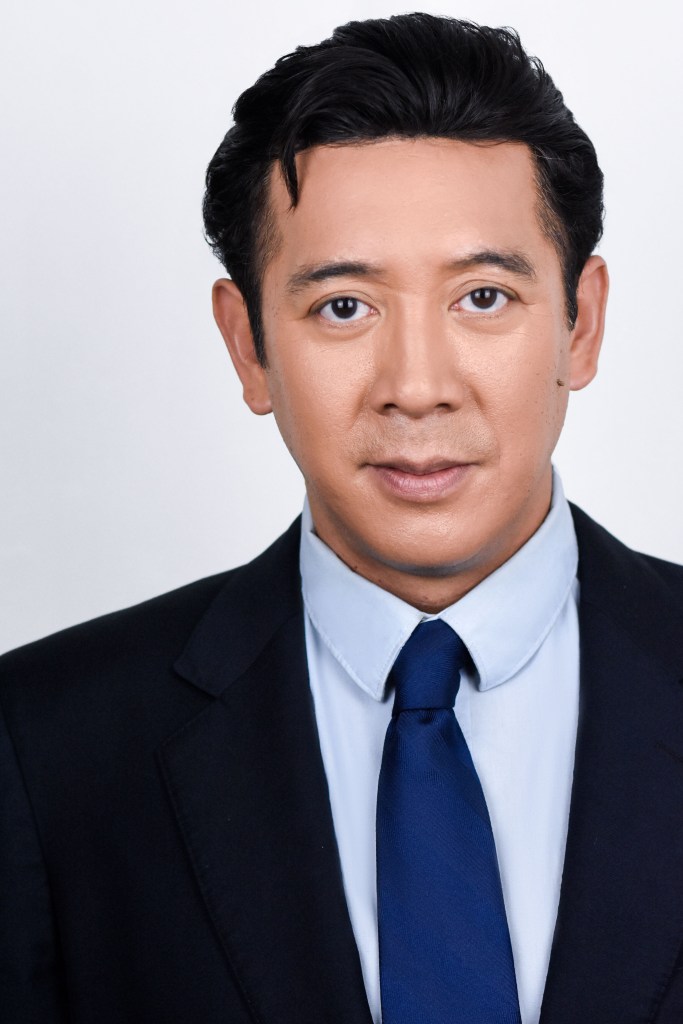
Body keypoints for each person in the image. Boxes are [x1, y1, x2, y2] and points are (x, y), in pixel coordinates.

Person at [1, 12, 682, 1024]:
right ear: (248, 347)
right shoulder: (44, 745)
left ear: (580, 326)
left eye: (483, 297)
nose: (416, 386)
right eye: (343, 307)